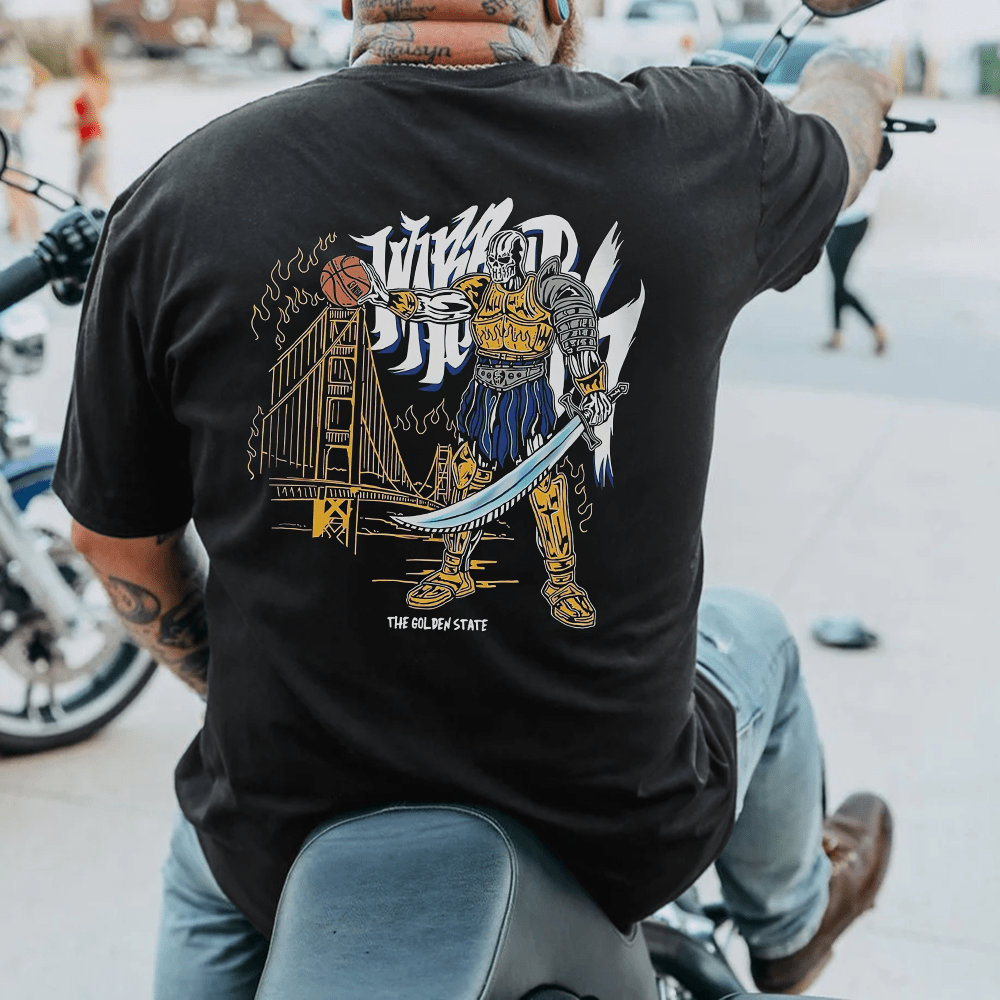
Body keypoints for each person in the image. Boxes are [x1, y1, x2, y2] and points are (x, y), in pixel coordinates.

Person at [52, 2, 897, 997]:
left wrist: (227, 679)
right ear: (557, 6)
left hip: (287, 816)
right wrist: (853, 70)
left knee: (206, 861)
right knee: (752, 632)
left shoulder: (179, 196)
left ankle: (543, 582)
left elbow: (113, 542)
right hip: (614, 823)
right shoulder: (697, 142)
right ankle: (790, 922)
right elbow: (843, 139)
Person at [823, 170, 888, 353]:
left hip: (852, 222)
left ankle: (875, 327)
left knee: (840, 282)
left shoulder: (867, 161)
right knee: (837, 280)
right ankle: (837, 334)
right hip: (839, 222)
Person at [0, 22, 49, 242]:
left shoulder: (13, 73)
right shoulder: (22, 73)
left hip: (9, 137)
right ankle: (20, 231)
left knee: (17, 187)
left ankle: (34, 233)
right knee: (15, 187)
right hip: (13, 135)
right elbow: (30, 104)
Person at [70, 44, 111, 207]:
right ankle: (111, 214)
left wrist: (75, 123)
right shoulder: (98, 82)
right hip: (95, 137)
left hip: (91, 138)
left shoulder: (89, 84)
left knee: (82, 188)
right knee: (98, 185)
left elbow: (92, 115)